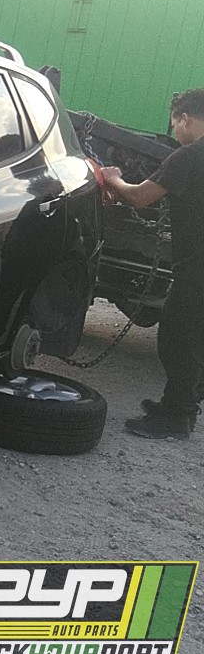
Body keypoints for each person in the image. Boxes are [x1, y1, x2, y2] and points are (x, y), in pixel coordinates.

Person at [100, 88, 204, 440]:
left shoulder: (188, 157)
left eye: (175, 123)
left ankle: (177, 418)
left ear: (185, 119)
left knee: (177, 340)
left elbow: (140, 198)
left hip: (197, 269)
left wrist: (111, 177)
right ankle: (181, 403)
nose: (175, 132)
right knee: (195, 338)